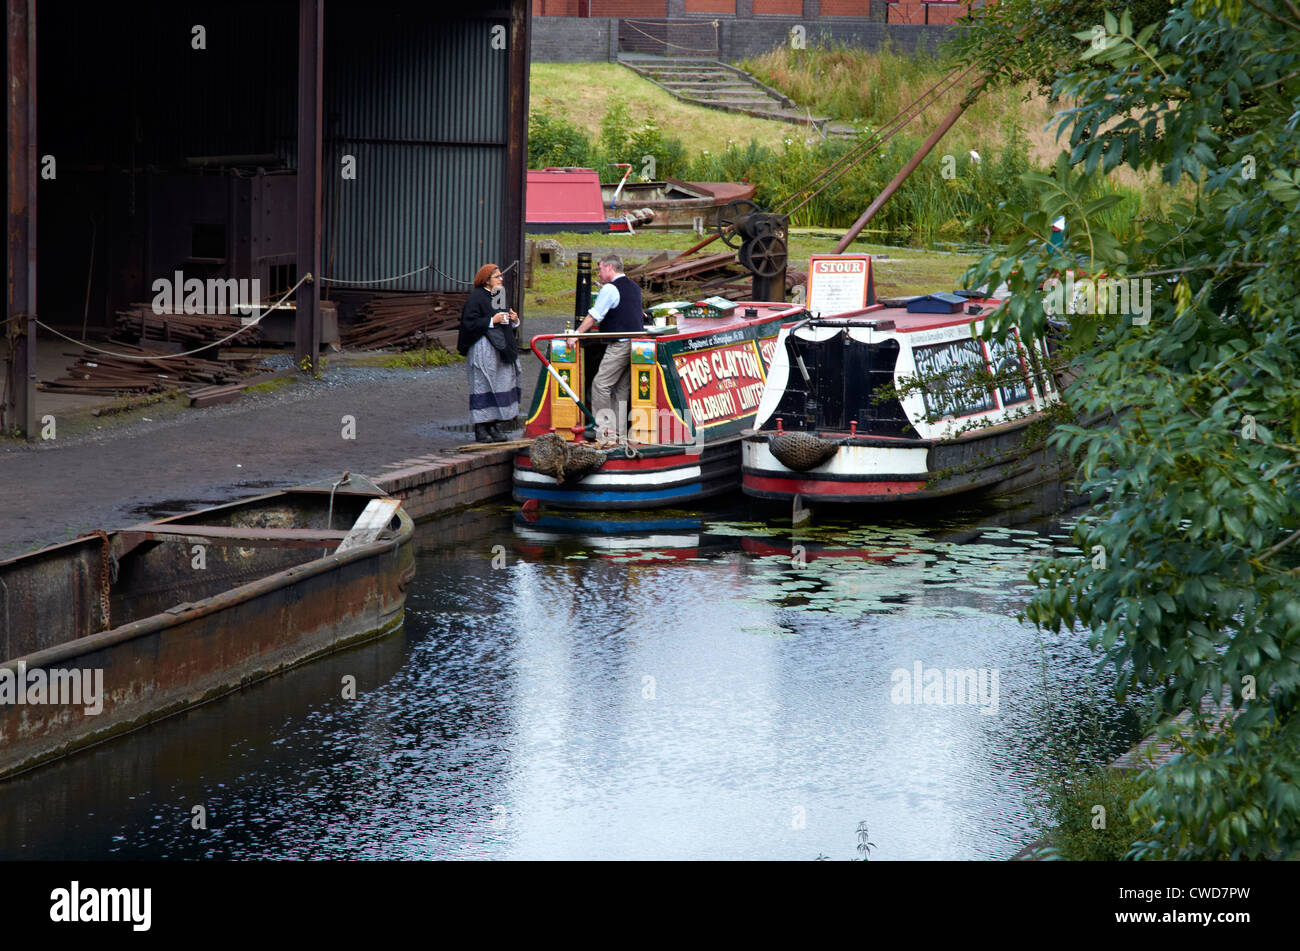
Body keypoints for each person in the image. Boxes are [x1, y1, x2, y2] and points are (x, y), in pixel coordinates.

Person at [575, 253, 644, 446]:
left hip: (620, 343)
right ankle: (620, 436)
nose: (598, 273)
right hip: (637, 344)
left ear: (609, 268)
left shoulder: (610, 289)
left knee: (601, 385)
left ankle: (605, 433)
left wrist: (575, 335)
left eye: (600, 269)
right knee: (621, 388)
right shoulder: (634, 287)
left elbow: (593, 316)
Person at [456, 263, 520, 443]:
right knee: (483, 385)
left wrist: (514, 320)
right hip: (483, 348)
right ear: (487, 280)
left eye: (501, 275)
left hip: (499, 348)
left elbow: (503, 318)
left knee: (499, 385)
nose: (501, 279)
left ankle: (495, 425)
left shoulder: (499, 294)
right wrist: (491, 320)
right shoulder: (476, 297)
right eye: (497, 276)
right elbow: (468, 324)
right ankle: (481, 428)